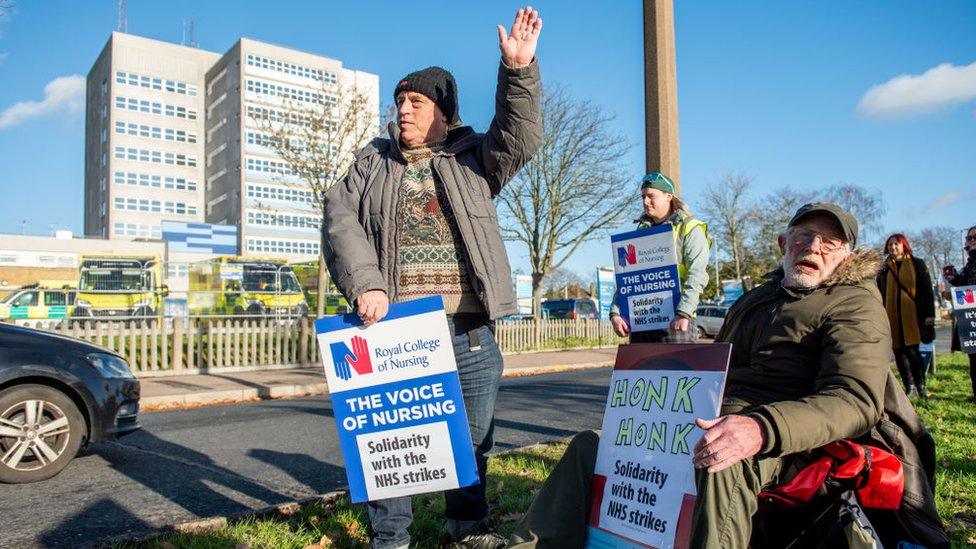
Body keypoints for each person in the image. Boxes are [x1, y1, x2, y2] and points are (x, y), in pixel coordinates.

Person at [506, 203, 948, 548]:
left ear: (846, 256)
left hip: (790, 437)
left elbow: (854, 400)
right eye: (804, 236)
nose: (814, 247)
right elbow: (721, 364)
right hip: (711, 417)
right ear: (784, 243)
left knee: (719, 457)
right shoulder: (757, 297)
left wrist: (760, 428)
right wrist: (667, 365)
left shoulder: (854, 304)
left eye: (829, 243)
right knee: (591, 449)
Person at [322, 7, 543, 548]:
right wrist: (366, 283)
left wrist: (517, 71)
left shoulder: (475, 157)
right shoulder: (372, 162)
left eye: (415, 102)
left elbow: (522, 135)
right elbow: (339, 216)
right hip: (395, 329)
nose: (403, 110)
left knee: (469, 445)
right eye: (399, 101)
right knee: (389, 442)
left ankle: (465, 530)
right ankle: (391, 538)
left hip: (468, 332)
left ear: (442, 112)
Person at [608, 172, 709, 343]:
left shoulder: (690, 229)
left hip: (676, 323)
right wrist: (615, 313)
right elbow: (627, 279)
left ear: (668, 196)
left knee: (676, 370)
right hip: (642, 322)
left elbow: (697, 275)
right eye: (643, 197)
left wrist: (683, 313)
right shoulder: (640, 233)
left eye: (650, 196)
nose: (645, 202)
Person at [878, 233, 935, 398]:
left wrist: (929, 314)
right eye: (890, 245)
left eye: (896, 244)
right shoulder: (884, 268)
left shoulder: (917, 264)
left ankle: (921, 386)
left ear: (904, 245)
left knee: (913, 352)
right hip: (892, 317)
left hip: (914, 317)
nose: (892, 247)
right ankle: (909, 387)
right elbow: (881, 293)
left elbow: (927, 291)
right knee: (899, 353)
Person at [944, 224, 976, 403]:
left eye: (974, 238)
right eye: (969, 238)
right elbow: (964, 285)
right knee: (973, 360)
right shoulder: (970, 262)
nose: (971, 241)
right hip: (971, 319)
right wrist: (953, 278)